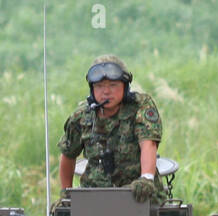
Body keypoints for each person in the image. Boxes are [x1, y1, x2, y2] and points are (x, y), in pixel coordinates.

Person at [57, 55, 163, 204]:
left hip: (139, 196)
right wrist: (66, 194)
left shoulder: (141, 106)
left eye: (113, 85)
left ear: (125, 86)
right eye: (99, 86)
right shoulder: (82, 115)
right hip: (95, 198)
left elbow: (148, 143)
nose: (106, 92)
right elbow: (68, 154)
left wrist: (146, 178)